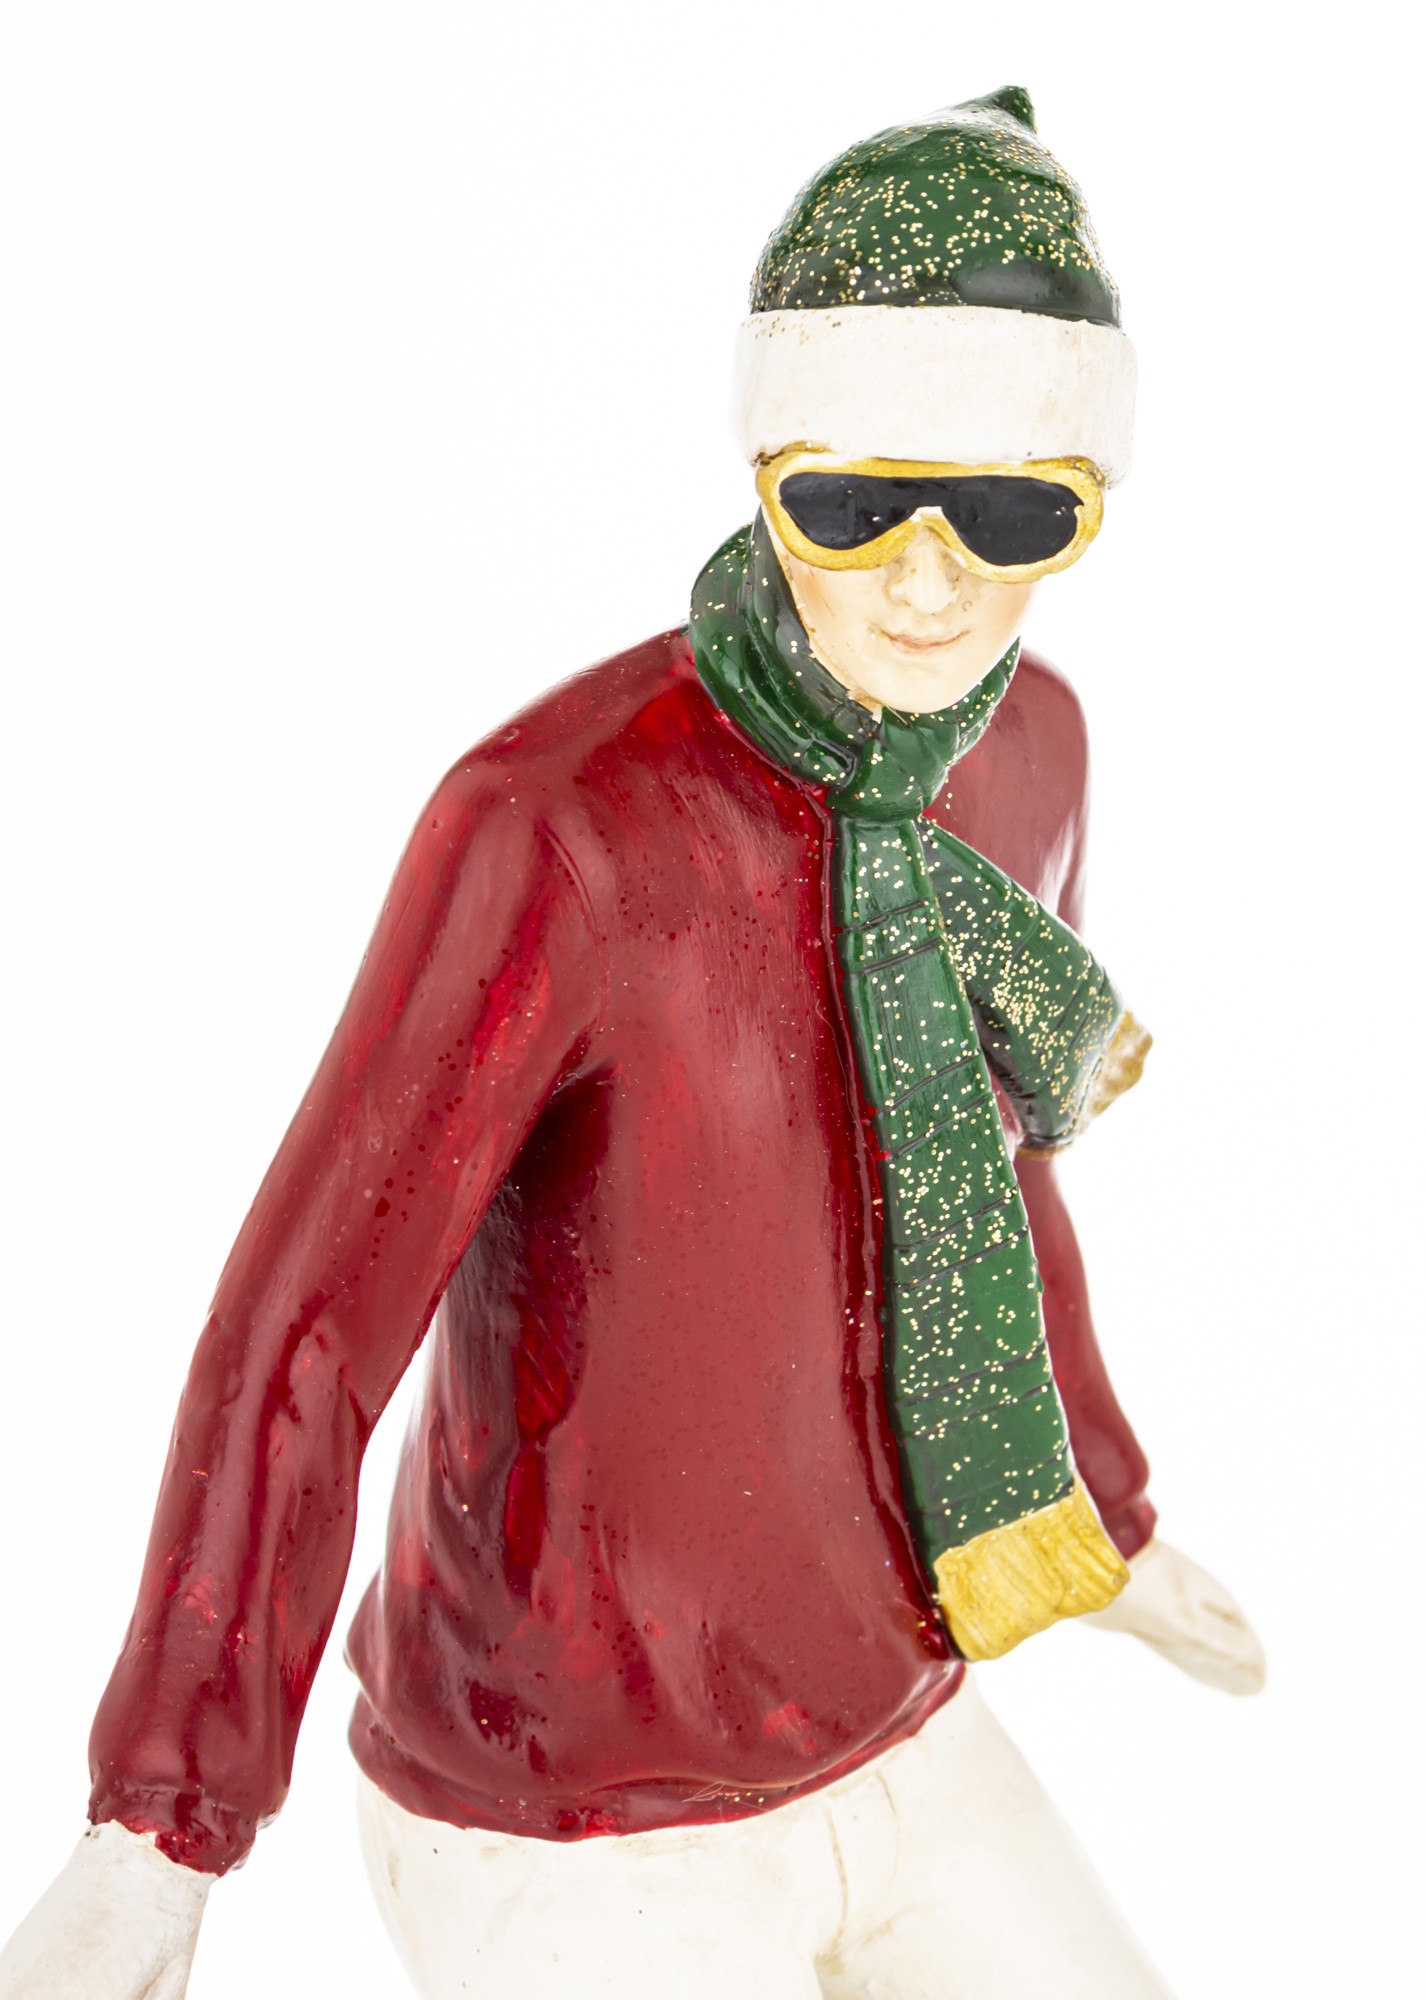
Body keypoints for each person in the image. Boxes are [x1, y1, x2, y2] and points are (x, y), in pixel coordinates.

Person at [0, 87, 1263, 2000]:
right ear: (766, 469)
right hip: (567, 1786)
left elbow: (989, 1180)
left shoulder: (1032, 752)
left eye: (1012, 513)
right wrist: (158, 1827)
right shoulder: (558, 828)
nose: (928, 580)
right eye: (855, 505)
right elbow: (313, 1326)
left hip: (895, 1702)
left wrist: (1100, 1508)